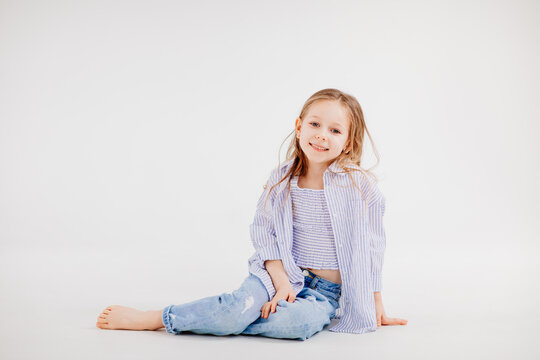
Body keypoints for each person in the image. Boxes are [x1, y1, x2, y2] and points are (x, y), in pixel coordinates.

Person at [96, 88, 408, 340]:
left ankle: (225, 319)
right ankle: (158, 318)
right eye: (314, 124)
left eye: (335, 130)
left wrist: (375, 301)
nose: (322, 135)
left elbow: (373, 246)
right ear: (299, 126)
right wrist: (283, 281)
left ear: (348, 141)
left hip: (324, 295)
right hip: (278, 274)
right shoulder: (282, 179)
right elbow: (264, 233)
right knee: (238, 308)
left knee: (297, 325)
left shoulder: (359, 186)